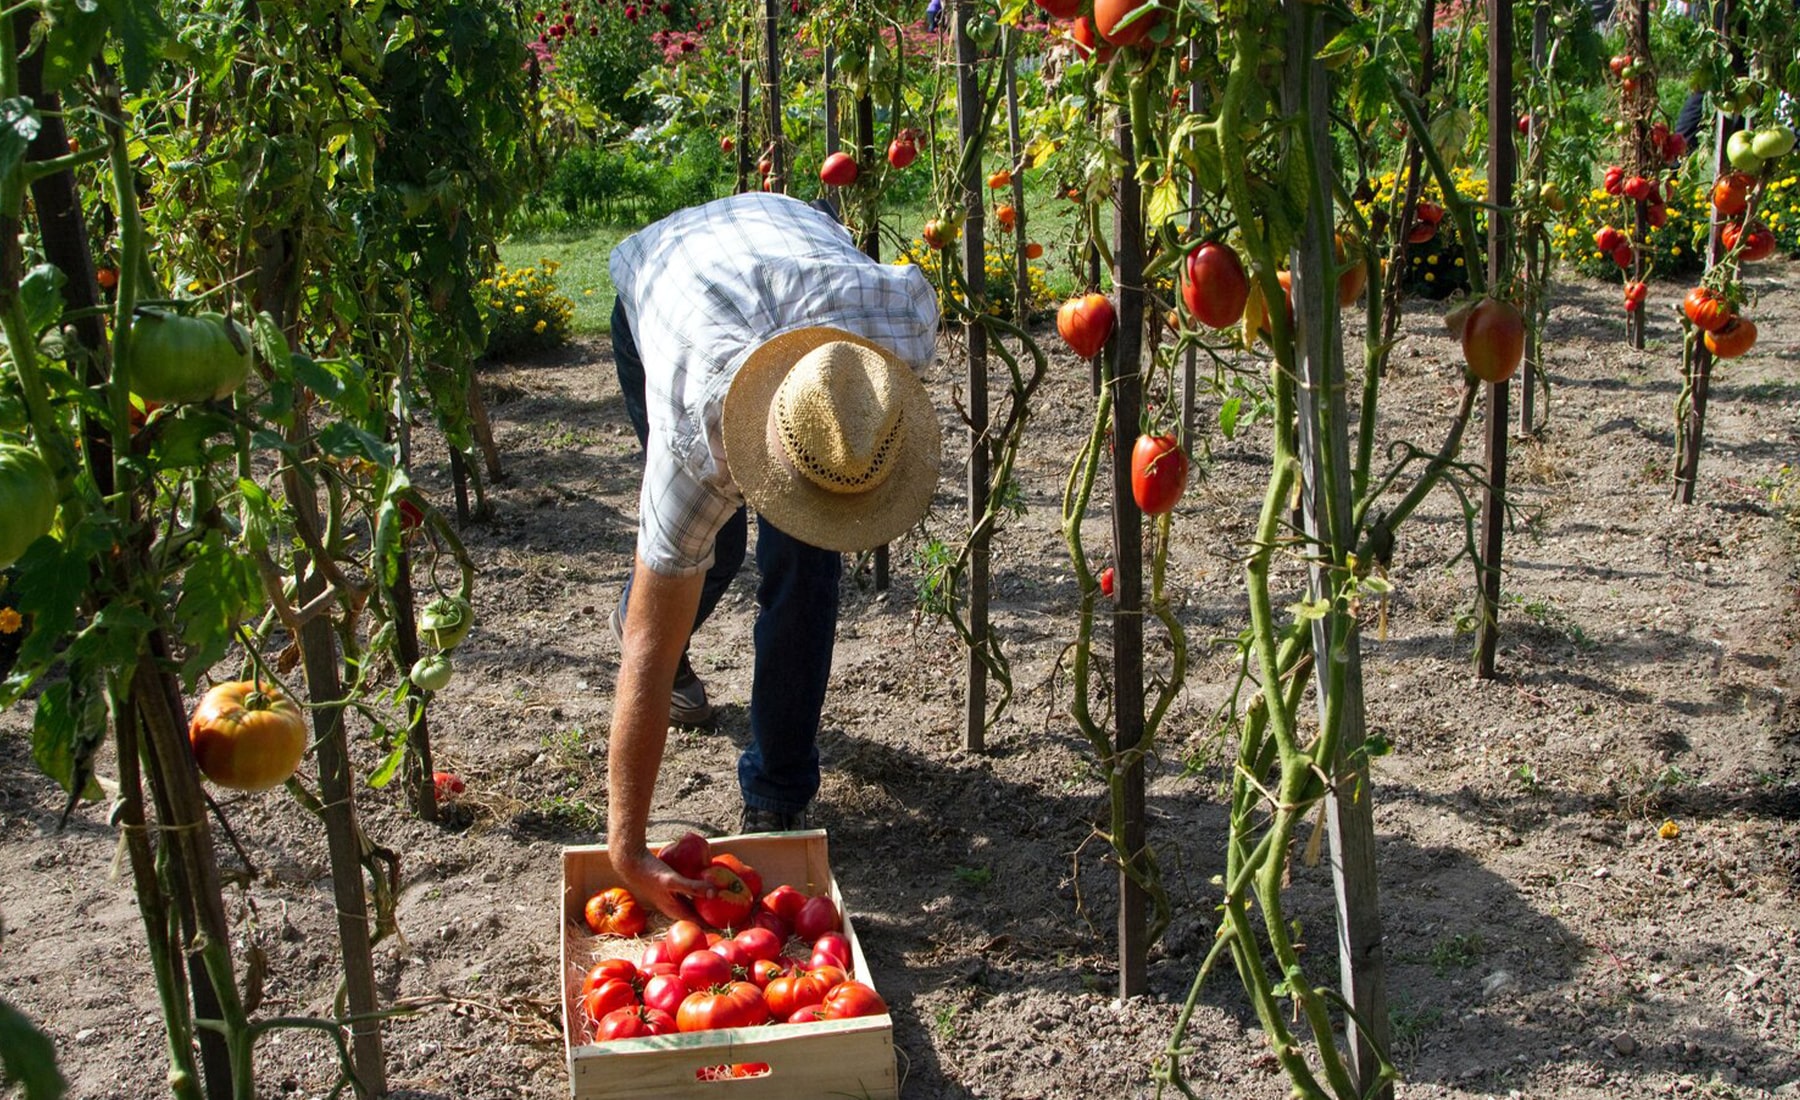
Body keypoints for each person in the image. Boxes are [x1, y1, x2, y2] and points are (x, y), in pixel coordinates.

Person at [604, 190, 942, 920]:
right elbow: (643, 655)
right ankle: (660, 614)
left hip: (785, 235)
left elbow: (850, 427)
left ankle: (778, 793)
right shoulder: (695, 445)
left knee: (808, 568)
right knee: (707, 553)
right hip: (666, 282)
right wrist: (627, 852)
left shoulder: (887, 348)